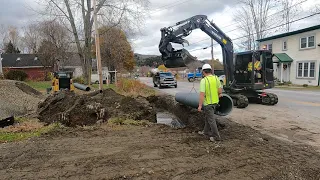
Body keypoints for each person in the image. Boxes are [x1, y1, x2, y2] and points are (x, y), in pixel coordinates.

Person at [197, 64, 223, 142]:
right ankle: (205, 132)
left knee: (211, 120)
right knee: (208, 118)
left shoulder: (204, 80)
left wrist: (200, 105)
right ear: (210, 70)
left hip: (208, 104)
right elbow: (220, 91)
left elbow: (202, 94)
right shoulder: (216, 78)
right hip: (215, 102)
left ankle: (216, 136)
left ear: (203, 72)